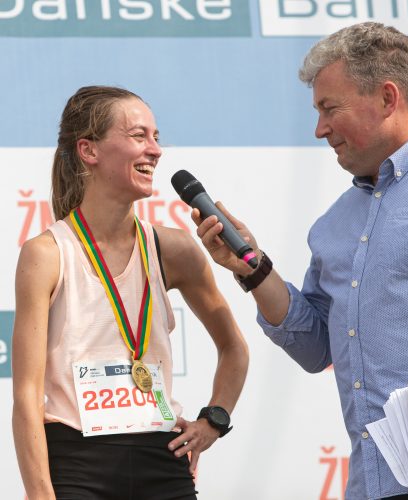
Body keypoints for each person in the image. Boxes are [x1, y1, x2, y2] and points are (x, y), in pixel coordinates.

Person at [192, 22, 408, 500]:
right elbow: (316, 347)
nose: (320, 129)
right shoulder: (334, 224)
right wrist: (252, 269)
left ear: (387, 97)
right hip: (372, 485)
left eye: (329, 108)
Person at [12, 85, 248, 499]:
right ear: (89, 151)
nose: (155, 150)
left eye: (156, 137)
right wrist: (39, 493)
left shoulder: (174, 249)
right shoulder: (46, 254)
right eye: (139, 136)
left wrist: (215, 419)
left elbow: (234, 347)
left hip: (163, 459)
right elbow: (27, 395)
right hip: (77, 463)